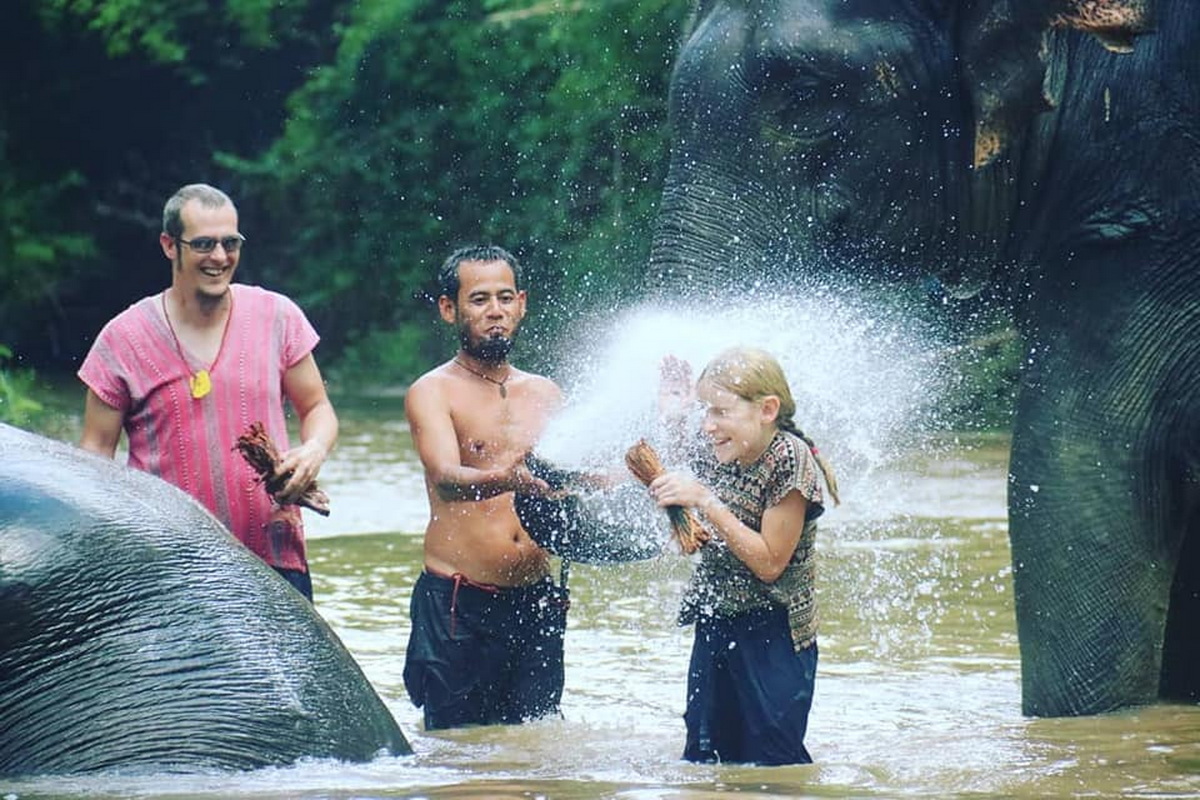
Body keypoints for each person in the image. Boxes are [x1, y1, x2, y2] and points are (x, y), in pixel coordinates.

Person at [78, 183, 337, 601]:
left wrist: (313, 451)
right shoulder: (123, 339)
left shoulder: (277, 317)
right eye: (203, 244)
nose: (219, 257)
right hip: (165, 567)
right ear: (169, 245)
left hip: (273, 556)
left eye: (229, 243)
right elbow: (93, 461)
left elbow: (317, 407)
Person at [402, 244, 568, 731]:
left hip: (536, 601)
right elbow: (446, 479)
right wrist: (505, 480)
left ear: (522, 304)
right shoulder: (431, 391)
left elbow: (580, 479)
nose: (494, 311)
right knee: (459, 755)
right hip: (459, 604)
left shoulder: (546, 393)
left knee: (532, 749)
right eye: (479, 300)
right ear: (449, 309)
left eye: (504, 298)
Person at [648, 346, 840, 765]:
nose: (708, 425)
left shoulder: (789, 460)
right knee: (705, 761)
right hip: (715, 620)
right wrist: (674, 416)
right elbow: (681, 463)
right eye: (704, 411)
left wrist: (704, 501)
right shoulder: (723, 443)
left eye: (719, 412)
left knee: (773, 771)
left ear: (767, 409)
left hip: (775, 636)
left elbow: (771, 563)